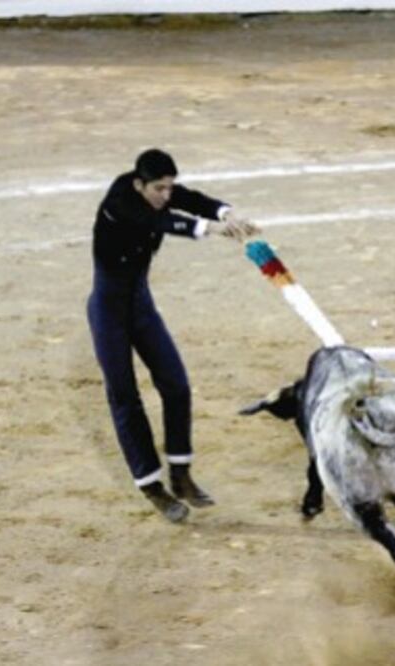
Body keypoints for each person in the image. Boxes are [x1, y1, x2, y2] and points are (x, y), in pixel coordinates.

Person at [87, 148, 258, 523]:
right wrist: (212, 229)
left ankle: (180, 474)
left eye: (169, 188)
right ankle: (152, 487)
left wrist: (226, 214)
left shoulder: (156, 190)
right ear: (140, 184)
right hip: (109, 311)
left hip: (140, 304)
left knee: (176, 384)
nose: (167, 195)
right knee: (125, 396)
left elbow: (191, 201)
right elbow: (162, 223)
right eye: (160, 190)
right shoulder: (121, 202)